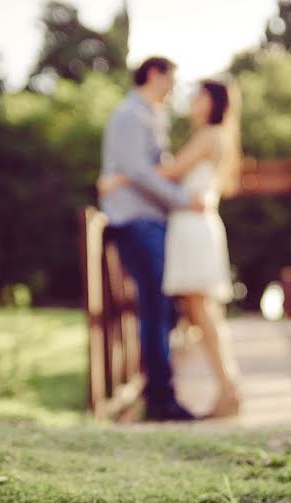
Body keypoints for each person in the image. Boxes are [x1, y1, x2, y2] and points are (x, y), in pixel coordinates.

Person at [99, 79, 243, 418]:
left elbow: (169, 172)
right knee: (202, 311)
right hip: (194, 226)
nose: (192, 101)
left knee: (202, 311)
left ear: (213, 102)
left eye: (199, 96)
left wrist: (120, 177)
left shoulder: (209, 134)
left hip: (194, 227)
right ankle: (228, 388)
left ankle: (229, 390)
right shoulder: (212, 135)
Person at [98, 56, 201, 421]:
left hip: (152, 220)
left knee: (163, 308)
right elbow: (138, 172)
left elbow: (146, 170)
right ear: (155, 74)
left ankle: (158, 392)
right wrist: (183, 201)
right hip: (137, 220)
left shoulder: (152, 116)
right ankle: (160, 399)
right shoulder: (129, 114)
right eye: (172, 78)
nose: (174, 87)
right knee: (155, 308)